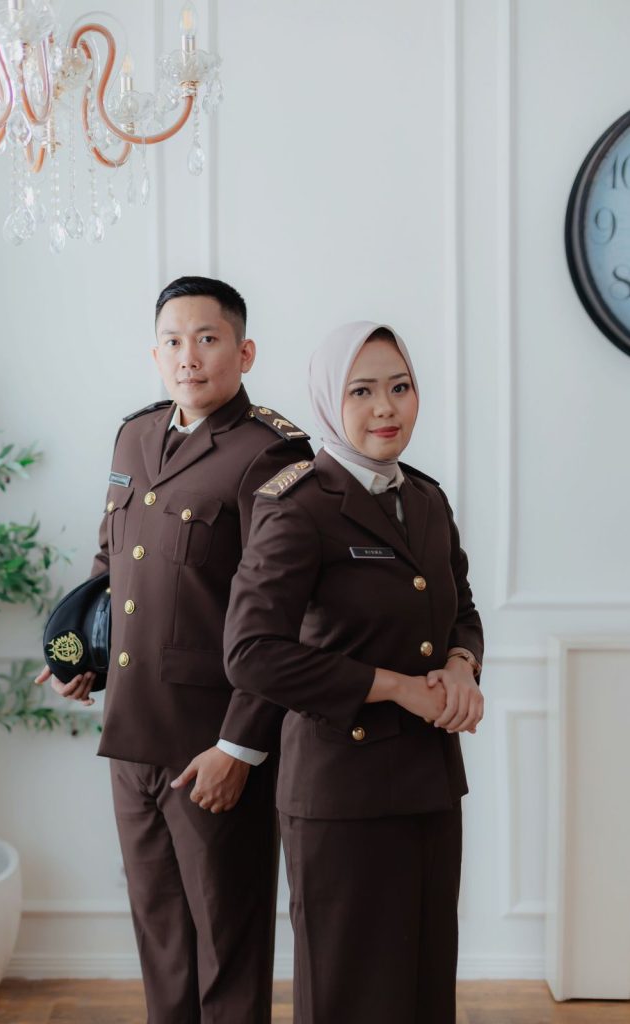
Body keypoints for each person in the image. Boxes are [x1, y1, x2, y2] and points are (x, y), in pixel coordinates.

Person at [35, 276, 312, 1024]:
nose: (188, 356)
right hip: (131, 737)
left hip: (212, 748)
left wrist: (240, 747)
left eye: (207, 338)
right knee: (160, 940)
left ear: (244, 352)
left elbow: (283, 617)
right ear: (154, 353)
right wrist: (81, 660)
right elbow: (113, 565)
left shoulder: (271, 453)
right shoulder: (135, 436)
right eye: (172, 340)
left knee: (227, 946)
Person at [223, 321, 484, 1024]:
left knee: (425, 992)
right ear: (327, 400)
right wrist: (396, 688)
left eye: (400, 387)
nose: (385, 408)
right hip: (341, 793)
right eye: (361, 391)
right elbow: (250, 651)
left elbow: (460, 610)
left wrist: (461, 666)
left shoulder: (425, 500)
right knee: (347, 997)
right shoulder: (298, 504)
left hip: (430, 782)